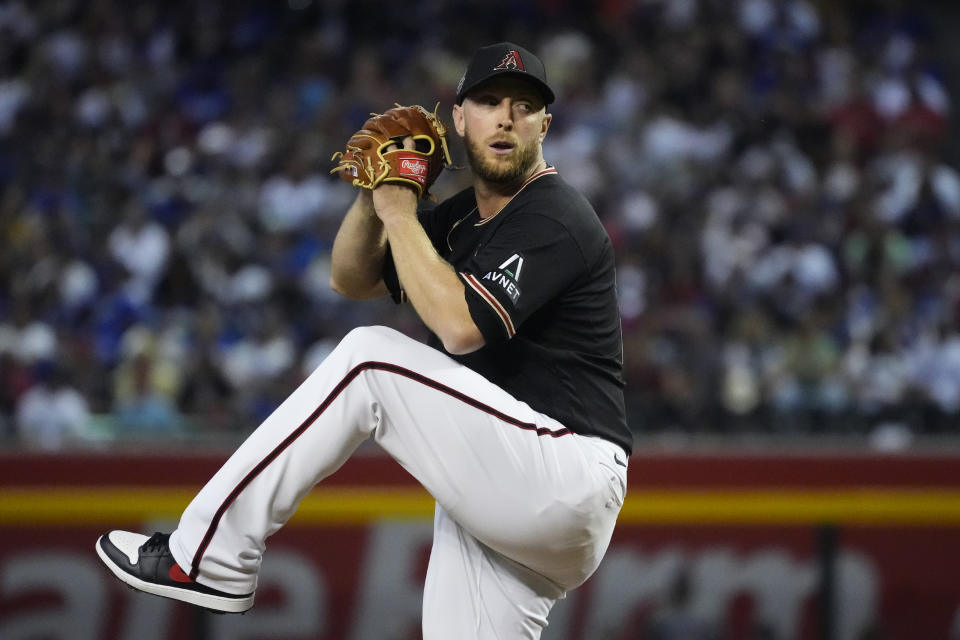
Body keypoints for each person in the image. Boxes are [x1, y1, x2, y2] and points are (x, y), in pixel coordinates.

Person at [96, 42, 632, 639]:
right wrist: (374, 194)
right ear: (460, 118)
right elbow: (352, 278)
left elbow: (457, 328)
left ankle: (211, 556)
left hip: (565, 471)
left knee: (368, 359)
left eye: (524, 105)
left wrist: (401, 214)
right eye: (488, 101)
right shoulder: (458, 217)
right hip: (508, 489)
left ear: (544, 125)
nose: (506, 116)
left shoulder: (555, 213)